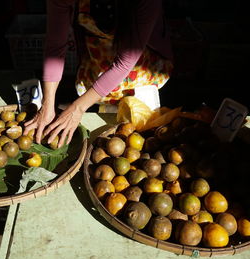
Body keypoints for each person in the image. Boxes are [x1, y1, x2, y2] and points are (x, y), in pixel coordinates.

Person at [23, 0, 174, 148]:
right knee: (103, 106)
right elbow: (55, 47)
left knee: (139, 115)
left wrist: (78, 108)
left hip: (142, 61)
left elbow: (125, 62)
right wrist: (47, 105)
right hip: (98, 54)